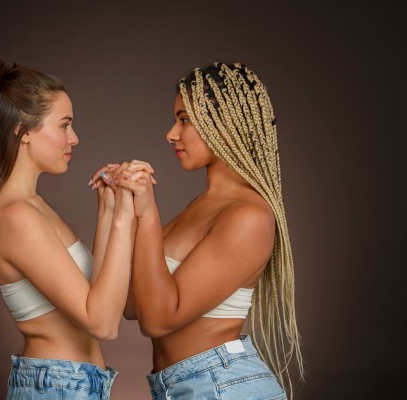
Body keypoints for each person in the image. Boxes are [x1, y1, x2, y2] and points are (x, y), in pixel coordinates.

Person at [93, 62, 304, 399]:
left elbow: (159, 319)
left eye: (184, 119)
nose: (171, 134)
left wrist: (147, 212)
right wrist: (114, 205)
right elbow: (132, 306)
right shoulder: (200, 206)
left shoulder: (248, 215)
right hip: (184, 387)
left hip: (224, 387)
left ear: (223, 125)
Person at [0, 58, 152, 399]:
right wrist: (125, 216)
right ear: (24, 131)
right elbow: (102, 323)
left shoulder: (32, 207)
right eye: (64, 125)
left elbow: (106, 298)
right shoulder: (16, 216)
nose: (74, 138)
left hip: (73, 384)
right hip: (57, 387)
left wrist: (109, 208)